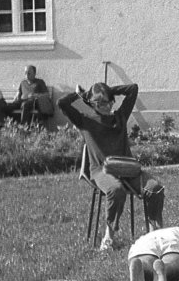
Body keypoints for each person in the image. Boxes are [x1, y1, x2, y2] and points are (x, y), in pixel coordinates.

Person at [57, 81, 165, 250]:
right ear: (92, 103)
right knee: (116, 190)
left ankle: (154, 233)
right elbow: (62, 103)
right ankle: (109, 237)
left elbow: (133, 89)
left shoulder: (120, 116)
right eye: (100, 103)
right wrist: (83, 95)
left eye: (109, 102)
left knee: (155, 188)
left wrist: (107, 91)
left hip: (127, 168)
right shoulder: (84, 121)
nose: (106, 106)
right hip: (101, 170)